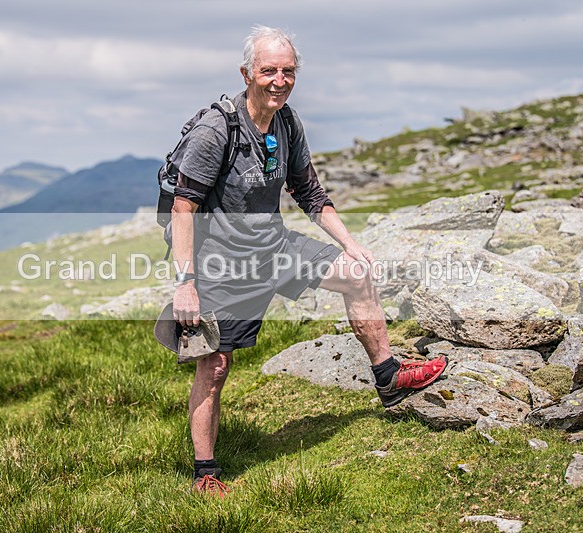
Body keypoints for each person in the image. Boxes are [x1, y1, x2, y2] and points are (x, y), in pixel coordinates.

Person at [170, 26, 447, 495]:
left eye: (288, 71)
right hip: (222, 262)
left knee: (357, 277)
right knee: (214, 367)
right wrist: (186, 282)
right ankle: (206, 472)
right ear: (246, 74)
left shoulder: (287, 122)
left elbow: (308, 191)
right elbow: (183, 208)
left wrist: (350, 244)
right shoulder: (215, 130)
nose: (279, 80)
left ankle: (389, 376)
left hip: (273, 247)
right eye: (269, 71)